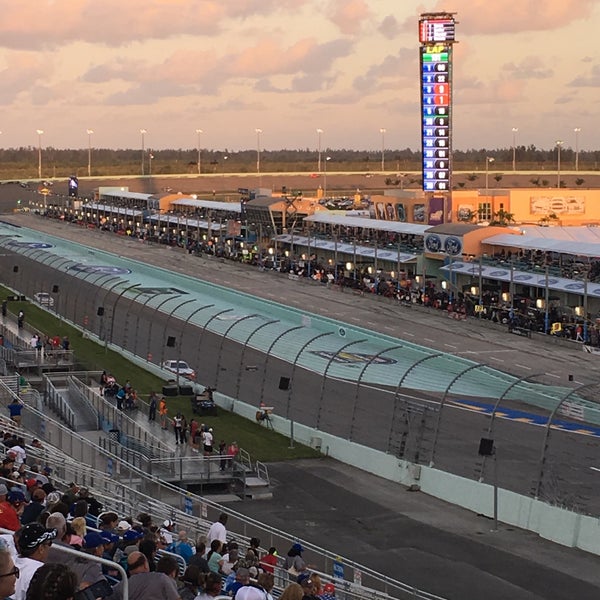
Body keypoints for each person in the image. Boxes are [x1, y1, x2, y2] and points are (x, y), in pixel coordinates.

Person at [14, 522, 58, 600]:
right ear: (41, 548)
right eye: (49, 543)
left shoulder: (9, 560)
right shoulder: (42, 572)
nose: (49, 547)